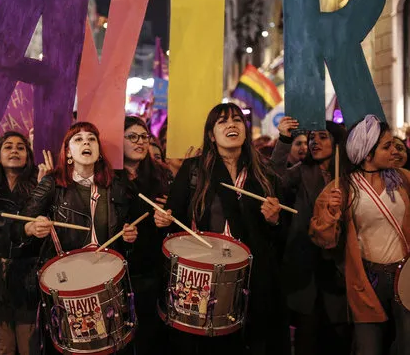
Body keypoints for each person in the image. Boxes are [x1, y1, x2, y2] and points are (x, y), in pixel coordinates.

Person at [159, 102, 290, 355]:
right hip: (206, 276)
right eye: (223, 121)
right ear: (211, 134)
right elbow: (172, 221)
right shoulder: (194, 170)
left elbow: (282, 233)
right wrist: (162, 221)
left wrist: (275, 220)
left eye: (237, 120)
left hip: (254, 277)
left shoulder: (264, 172)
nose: (231, 124)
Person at [14, 122, 138, 353]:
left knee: (109, 344)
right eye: (78, 139)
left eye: (91, 139)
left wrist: (129, 236)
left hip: (104, 275)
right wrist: (31, 228)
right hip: (68, 278)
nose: (86, 143)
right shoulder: (53, 183)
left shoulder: (116, 186)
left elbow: (123, 233)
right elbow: (18, 225)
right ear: (68, 152)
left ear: (99, 151)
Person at [310, 115, 410, 355]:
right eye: (386, 147)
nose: (394, 151)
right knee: (368, 347)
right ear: (367, 154)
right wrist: (331, 213)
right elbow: (323, 239)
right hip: (366, 278)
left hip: (406, 274)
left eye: (394, 145)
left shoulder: (404, 180)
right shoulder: (340, 189)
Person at [271, 116, 352, 355]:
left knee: (338, 338)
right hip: (306, 270)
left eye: (322, 137)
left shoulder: (351, 176)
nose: (314, 142)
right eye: (312, 138)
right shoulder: (301, 171)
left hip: (340, 270)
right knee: (308, 336)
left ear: (338, 143)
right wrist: (284, 140)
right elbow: (273, 179)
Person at [0, 131, 42, 355]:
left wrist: (43, 188)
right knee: (3, 347)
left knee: (29, 346)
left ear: (28, 155)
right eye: (8, 146)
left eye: (21, 147)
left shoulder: (39, 185)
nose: (14, 150)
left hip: (28, 273)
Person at [117, 116, 173, 355]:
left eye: (144, 137)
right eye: (132, 136)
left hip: (152, 267)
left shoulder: (161, 174)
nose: (140, 142)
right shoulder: (106, 177)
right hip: (118, 267)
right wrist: (119, 232)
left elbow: (176, 218)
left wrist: (168, 218)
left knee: (150, 334)